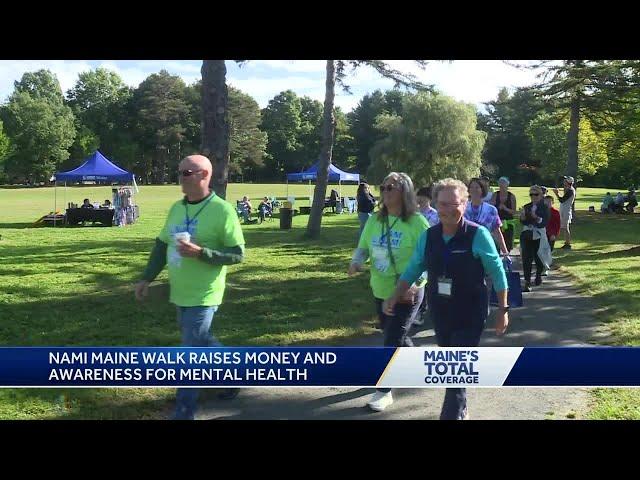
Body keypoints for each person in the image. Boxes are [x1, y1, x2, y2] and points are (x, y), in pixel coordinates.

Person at [384, 178, 509, 420]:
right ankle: (460, 405)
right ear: (435, 204)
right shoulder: (429, 236)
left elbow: (497, 272)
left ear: (464, 204)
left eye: (454, 204)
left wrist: (503, 309)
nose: (448, 210)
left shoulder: (478, 235)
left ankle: (452, 413)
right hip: (440, 310)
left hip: (470, 312)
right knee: (451, 366)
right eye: (443, 204)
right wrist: (395, 295)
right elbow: (412, 269)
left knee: (455, 369)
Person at [134, 154, 245, 420]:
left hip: (205, 293)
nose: (180, 177)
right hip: (180, 292)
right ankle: (232, 378)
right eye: (179, 171)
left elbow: (237, 254)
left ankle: (184, 412)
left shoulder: (222, 210)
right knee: (203, 341)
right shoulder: (176, 208)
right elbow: (162, 245)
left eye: (186, 172)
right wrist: (146, 277)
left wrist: (201, 253)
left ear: (204, 175)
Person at [348, 172, 429, 412]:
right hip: (381, 288)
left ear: (404, 192)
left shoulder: (417, 222)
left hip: (407, 291)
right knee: (396, 336)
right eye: (382, 187)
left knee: (391, 339)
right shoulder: (375, 220)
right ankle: (417, 365)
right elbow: (363, 246)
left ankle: (384, 390)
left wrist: (416, 283)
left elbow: (429, 259)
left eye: (390, 188)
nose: (384, 192)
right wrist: (356, 261)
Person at [465, 178, 510, 257]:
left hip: (486, 248)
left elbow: (497, 232)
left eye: (477, 187)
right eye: (471, 187)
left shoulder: (491, 210)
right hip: (467, 248)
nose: (474, 190)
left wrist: (505, 252)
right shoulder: (463, 208)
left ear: (482, 190)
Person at [520, 185, 550, 292]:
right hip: (527, 235)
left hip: (539, 235)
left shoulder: (545, 207)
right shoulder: (526, 206)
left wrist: (535, 217)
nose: (533, 197)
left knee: (539, 257)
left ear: (541, 195)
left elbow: (544, 222)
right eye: (531, 194)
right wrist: (523, 217)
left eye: (536, 194)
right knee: (526, 258)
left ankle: (538, 275)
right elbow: (523, 221)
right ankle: (527, 281)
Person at [491, 176, 517, 253]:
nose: (501, 186)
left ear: (507, 185)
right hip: (497, 222)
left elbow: (514, 212)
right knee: (496, 244)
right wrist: (495, 206)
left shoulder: (511, 196)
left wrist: (505, 208)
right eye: (500, 184)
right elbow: (491, 208)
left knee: (507, 245)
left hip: (508, 222)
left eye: (503, 184)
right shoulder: (495, 195)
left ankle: (507, 260)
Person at [552, 176, 576, 249]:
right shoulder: (568, 189)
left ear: (568, 182)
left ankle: (567, 244)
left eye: (565, 181)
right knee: (563, 227)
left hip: (566, 210)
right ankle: (566, 243)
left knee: (565, 227)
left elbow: (562, 200)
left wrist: (556, 193)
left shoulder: (571, 191)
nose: (564, 182)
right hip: (564, 209)